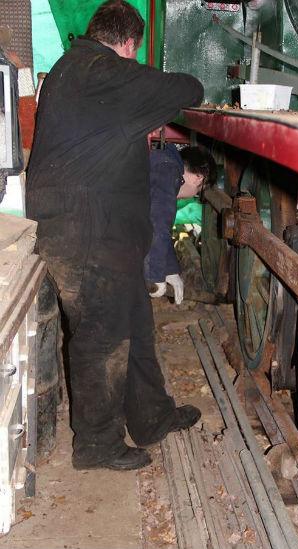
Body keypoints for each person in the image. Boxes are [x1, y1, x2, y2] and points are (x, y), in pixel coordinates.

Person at [25, 0, 205, 471]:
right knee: (101, 336)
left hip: (99, 228)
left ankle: (151, 416)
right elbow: (189, 87)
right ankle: (97, 444)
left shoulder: (73, 69)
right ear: (129, 44)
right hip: (86, 231)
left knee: (134, 322)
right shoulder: (100, 71)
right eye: (135, 52)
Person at [145, 144, 215, 305]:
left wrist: (170, 270)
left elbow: (162, 226)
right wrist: (153, 275)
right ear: (199, 177)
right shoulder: (168, 172)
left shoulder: (164, 165)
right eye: (199, 191)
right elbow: (158, 223)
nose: (193, 195)